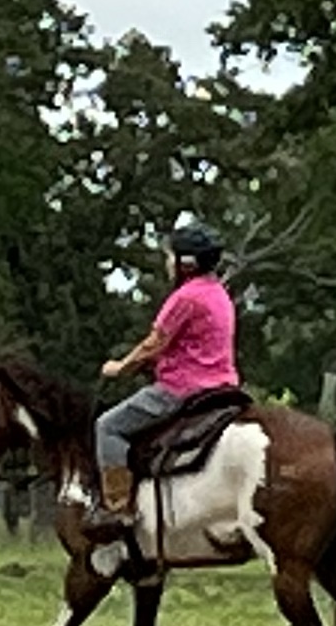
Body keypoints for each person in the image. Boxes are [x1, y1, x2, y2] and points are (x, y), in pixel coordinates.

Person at [94, 222, 240, 528]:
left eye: (171, 256)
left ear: (186, 263)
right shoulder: (219, 294)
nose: (167, 263)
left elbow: (154, 343)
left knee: (107, 426)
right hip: (224, 386)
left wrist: (121, 367)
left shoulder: (185, 297)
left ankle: (118, 509)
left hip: (182, 389)